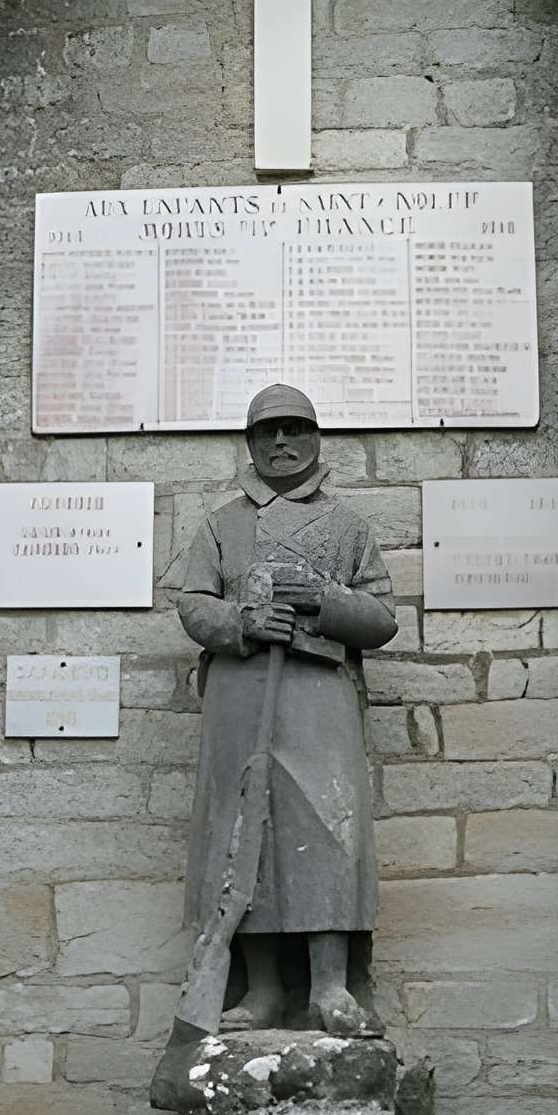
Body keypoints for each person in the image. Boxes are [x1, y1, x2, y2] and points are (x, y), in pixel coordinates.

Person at [173, 381, 397, 1034]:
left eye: (294, 428)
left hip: (319, 697)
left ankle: (330, 986)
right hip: (241, 698)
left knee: (329, 830)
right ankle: (263, 988)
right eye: (268, 431)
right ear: (249, 444)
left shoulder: (348, 527)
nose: (281, 442)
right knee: (245, 837)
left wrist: (323, 597)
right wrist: (242, 621)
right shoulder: (223, 526)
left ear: (315, 437)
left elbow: (381, 617)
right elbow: (192, 603)